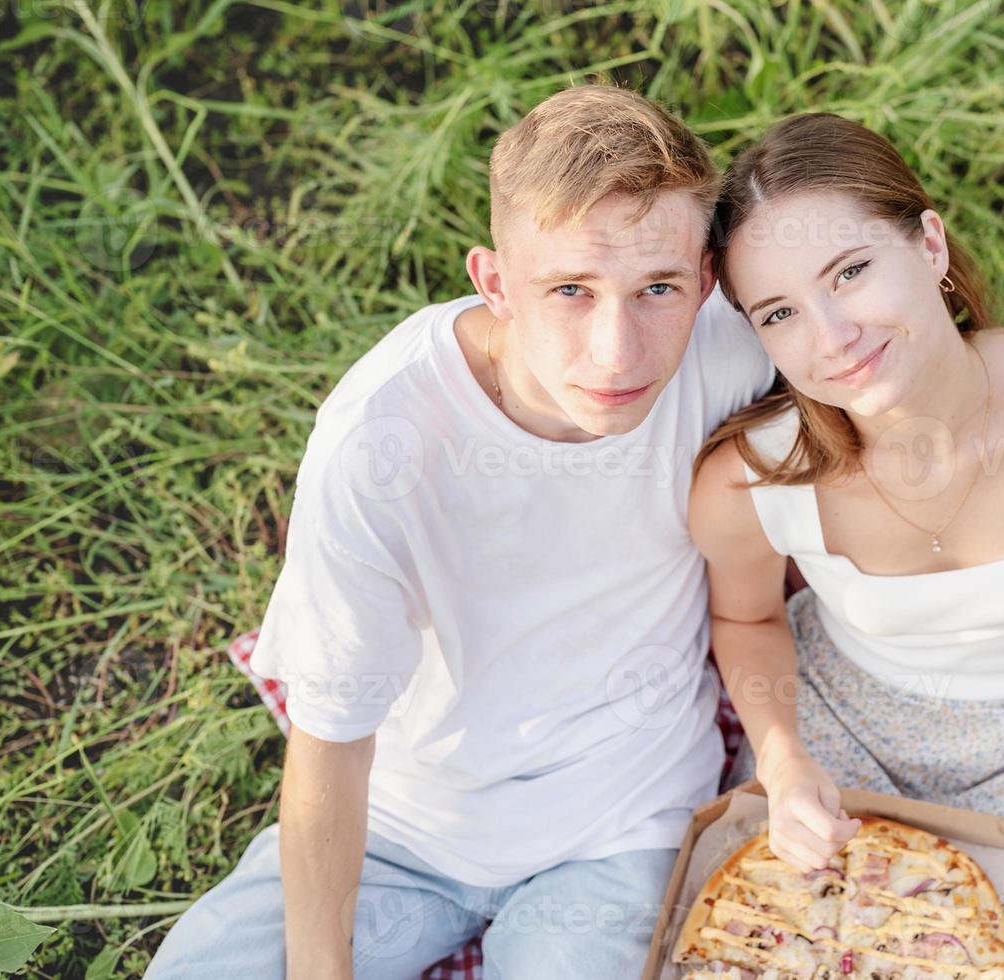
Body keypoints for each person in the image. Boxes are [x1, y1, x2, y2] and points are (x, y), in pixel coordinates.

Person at [145, 84, 775, 979]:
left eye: (657, 288)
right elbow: (330, 737)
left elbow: (897, 372)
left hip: (620, 816)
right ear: (494, 283)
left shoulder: (731, 347)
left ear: (704, 284)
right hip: (405, 825)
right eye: (570, 290)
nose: (617, 350)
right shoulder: (381, 441)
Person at [688, 113, 1004, 874]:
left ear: (929, 244)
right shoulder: (745, 482)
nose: (830, 338)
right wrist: (782, 757)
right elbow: (745, 614)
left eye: (849, 272)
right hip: (842, 720)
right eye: (780, 313)